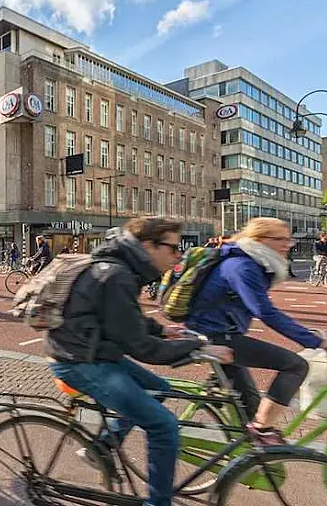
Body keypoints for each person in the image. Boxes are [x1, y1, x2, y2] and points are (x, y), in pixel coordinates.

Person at [48, 217, 233, 506]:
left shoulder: (123, 270)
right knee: (163, 426)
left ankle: (103, 445)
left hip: (93, 351)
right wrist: (198, 348)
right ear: (148, 246)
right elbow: (142, 348)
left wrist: (163, 329)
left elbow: (122, 319)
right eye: (173, 248)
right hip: (79, 361)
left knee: (159, 388)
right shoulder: (118, 275)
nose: (178, 255)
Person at [186, 217, 327, 443]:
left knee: (252, 406)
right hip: (216, 337)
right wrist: (315, 342)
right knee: (295, 366)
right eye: (280, 239)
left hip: (223, 332)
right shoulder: (241, 266)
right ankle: (260, 432)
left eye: (288, 239)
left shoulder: (253, 261)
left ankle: (248, 455)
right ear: (260, 240)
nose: (287, 244)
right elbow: (265, 312)